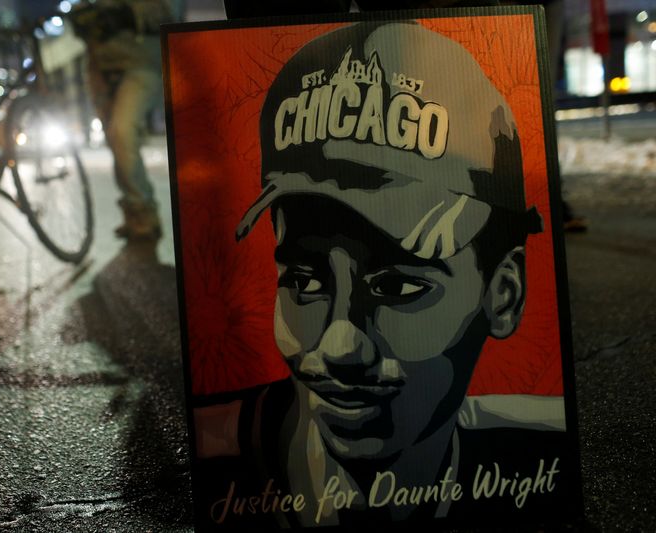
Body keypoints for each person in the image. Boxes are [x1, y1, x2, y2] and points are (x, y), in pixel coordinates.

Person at [192, 21, 571, 529]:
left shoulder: (543, 454)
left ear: (502, 293)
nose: (341, 345)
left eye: (397, 286)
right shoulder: (212, 455)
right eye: (305, 281)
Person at [70, 0, 179, 241]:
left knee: (122, 130)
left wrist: (122, 14)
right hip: (102, 70)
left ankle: (143, 209)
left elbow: (168, 16)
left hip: (141, 64)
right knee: (116, 140)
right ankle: (134, 213)